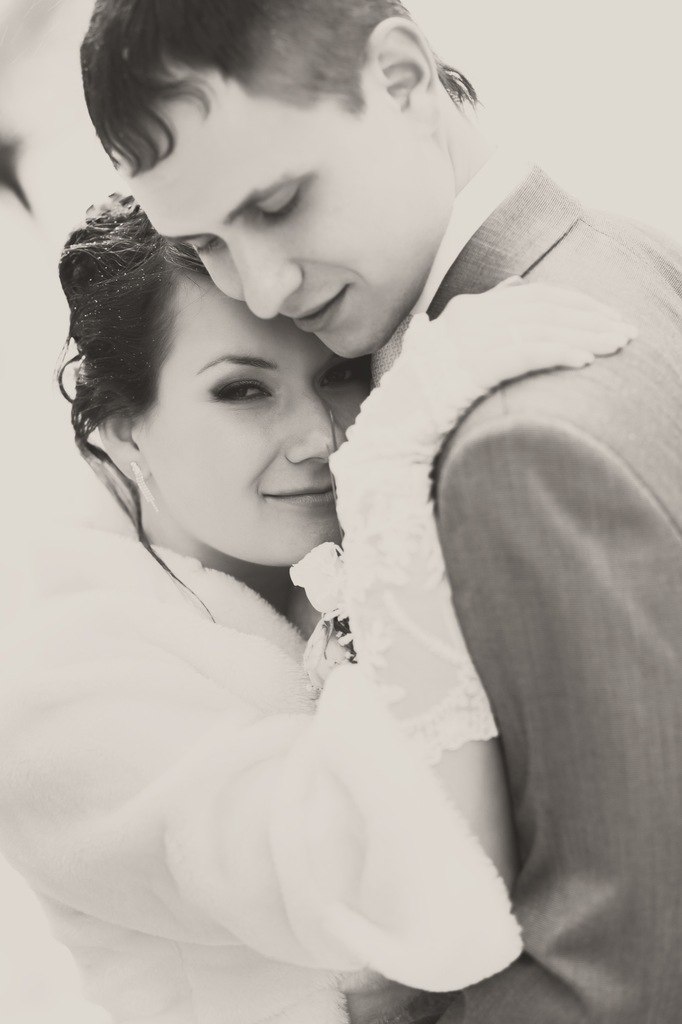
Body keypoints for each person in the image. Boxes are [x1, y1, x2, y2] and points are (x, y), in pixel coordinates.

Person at [78, 2, 682, 1022]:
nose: (260, 288)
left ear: (400, 79)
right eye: (206, 243)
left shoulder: (511, 444)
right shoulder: (624, 252)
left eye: (279, 204)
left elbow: (621, 976)